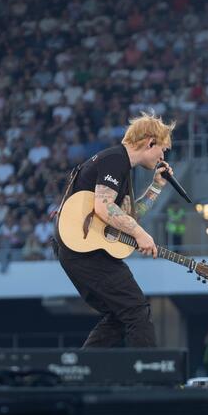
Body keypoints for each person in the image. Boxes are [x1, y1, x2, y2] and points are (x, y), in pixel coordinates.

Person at [55, 112, 176, 348]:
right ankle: (152, 376)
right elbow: (104, 206)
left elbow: (125, 216)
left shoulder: (119, 165)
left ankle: (81, 372)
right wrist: (141, 234)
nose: (163, 155)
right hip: (84, 252)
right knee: (136, 309)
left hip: (77, 251)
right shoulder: (115, 160)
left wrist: (156, 187)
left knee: (119, 316)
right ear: (150, 142)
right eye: (162, 148)